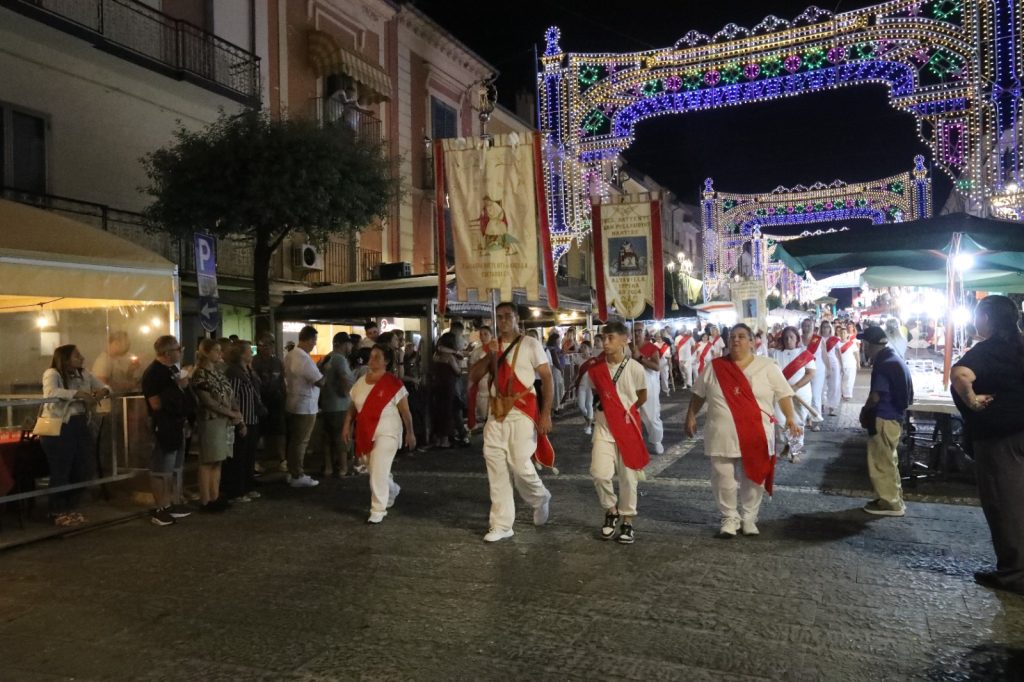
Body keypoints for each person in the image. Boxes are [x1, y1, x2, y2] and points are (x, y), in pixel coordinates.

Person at [686, 324, 801, 538]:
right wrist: (690, 414)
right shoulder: (715, 366)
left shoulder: (767, 366)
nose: (736, 340)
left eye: (741, 337)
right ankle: (729, 517)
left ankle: (749, 517)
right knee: (723, 477)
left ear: (751, 342)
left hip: (755, 432)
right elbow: (699, 394)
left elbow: (784, 394)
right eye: (732, 337)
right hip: (722, 433)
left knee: (753, 476)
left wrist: (791, 418)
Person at [950, 295, 1024, 595]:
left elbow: (959, 375)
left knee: (1004, 503)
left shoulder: (988, 350)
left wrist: (972, 401)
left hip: (1000, 438)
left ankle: (1014, 573)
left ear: (987, 319)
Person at [468, 302, 554, 542]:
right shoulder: (491, 346)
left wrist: (546, 413)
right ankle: (501, 524)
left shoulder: (530, 344)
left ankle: (540, 498)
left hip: (522, 410)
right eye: (499, 317)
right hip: (496, 412)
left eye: (507, 316)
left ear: (517, 318)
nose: (503, 321)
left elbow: (547, 378)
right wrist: (491, 354)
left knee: (520, 464)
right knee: (495, 466)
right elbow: (473, 376)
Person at [578, 322, 649, 544]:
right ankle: (611, 509)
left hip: (627, 428)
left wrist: (625, 412)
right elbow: (594, 394)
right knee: (599, 473)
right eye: (603, 338)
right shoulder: (595, 369)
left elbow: (642, 396)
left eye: (610, 338)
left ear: (624, 340)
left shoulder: (635, 369)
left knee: (628, 478)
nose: (605, 343)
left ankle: (627, 521)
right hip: (604, 428)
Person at [342, 344, 416, 523]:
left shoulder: (393, 383)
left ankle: (378, 508)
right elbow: (353, 408)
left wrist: (410, 432)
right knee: (374, 468)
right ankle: (391, 489)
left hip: (388, 432)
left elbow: (405, 411)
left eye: (377, 357)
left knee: (378, 468)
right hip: (366, 432)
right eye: (371, 356)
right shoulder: (360, 382)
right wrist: (346, 425)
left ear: (387, 361)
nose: (372, 359)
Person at [38, 345, 110, 526]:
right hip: (59, 426)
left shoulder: (83, 374)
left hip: (80, 423)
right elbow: (51, 393)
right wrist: (77, 394)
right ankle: (57, 510)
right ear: (65, 358)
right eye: (77, 355)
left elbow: (104, 386)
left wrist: (103, 391)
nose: (82, 358)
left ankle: (71, 506)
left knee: (83, 467)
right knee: (61, 469)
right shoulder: (52, 373)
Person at [858, 326, 913, 517]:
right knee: (889, 460)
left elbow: (876, 396)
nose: (862, 346)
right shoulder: (893, 358)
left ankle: (890, 503)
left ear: (870, 345)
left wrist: (865, 411)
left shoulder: (884, 364)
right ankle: (893, 497)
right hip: (894, 417)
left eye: (864, 343)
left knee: (881, 462)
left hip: (884, 417)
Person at [141, 336, 194, 526]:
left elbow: (183, 396)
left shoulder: (172, 370)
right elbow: (155, 404)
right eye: (178, 349)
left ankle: (172, 502)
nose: (181, 351)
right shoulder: (153, 373)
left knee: (175, 465)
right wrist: (178, 389)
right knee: (162, 467)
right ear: (167, 353)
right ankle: (160, 507)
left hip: (178, 423)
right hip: (164, 424)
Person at [191, 339, 242, 512]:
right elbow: (208, 401)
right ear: (206, 352)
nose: (220, 354)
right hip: (210, 419)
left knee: (218, 459)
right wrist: (231, 413)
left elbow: (230, 394)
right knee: (208, 460)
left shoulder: (219, 373)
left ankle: (215, 495)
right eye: (216, 350)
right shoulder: (200, 374)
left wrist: (236, 412)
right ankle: (205, 499)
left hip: (223, 421)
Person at [222, 340, 264, 503]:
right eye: (248, 351)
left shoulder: (247, 370)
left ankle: (247, 486)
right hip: (242, 419)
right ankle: (236, 490)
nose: (251, 353)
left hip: (252, 417)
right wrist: (238, 419)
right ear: (241, 354)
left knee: (249, 455)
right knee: (239, 456)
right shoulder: (234, 372)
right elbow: (233, 397)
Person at [283, 325, 324, 487]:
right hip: (305, 406)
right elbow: (319, 381)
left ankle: (292, 471)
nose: (315, 344)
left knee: (294, 440)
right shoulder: (304, 358)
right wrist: (322, 372)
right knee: (301, 441)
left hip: (293, 402)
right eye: (314, 341)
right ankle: (297, 474)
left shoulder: (290, 355)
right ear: (309, 339)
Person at [771, 326, 816, 463]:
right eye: (785, 337)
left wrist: (796, 386)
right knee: (780, 421)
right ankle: (787, 443)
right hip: (781, 393)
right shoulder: (775, 354)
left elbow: (811, 373)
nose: (788, 340)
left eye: (791, 337)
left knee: (798, 422)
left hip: (800, 392)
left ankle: (795, 451)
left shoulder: (804, 353)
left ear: (797, 338)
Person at [318, 332, 355, 476]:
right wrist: (348, 394)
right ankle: (344, 469)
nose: (350, 347)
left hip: (326, 405)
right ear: (344, 344)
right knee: (342, 438)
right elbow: (345, 379)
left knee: (327, 439)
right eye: (349, 344)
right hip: (340, 405)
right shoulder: (340, 359)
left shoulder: (327, 357)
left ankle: (328, 468)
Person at [252, 333, 287, 472]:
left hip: (276, 401)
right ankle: (256, 460)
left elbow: (281, 381)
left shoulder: (277, 361)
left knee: (279, 431)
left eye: (270, 343)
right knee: (258, 432)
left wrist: (284, 397)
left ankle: (282, 459)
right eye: (264, 344)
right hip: (260, 401)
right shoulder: (255, 362)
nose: (268, 347)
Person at [630, 325, 665, 455]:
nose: (637, 333)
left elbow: (656, 367)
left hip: (647, 384)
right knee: (631, 415)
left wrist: (640, 357)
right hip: (630, 384)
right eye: (634, 331)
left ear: (644, 333)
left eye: (639, 331)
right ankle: (634, 442)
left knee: (651, 415)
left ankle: (656, 441)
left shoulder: (651, 348)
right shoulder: (627, 347)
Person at [428, 332, 462, 448]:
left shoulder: (436, 356)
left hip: (437, 385)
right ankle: (445, 440)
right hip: (448, 386)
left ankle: (437, 438)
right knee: (447, 412)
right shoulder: (450, 358)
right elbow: (458, 371)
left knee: (438, 411)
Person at [577, 334, 604, 435]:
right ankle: (588, 420)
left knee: (589, 405)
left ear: (590, 349)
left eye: (585, 347)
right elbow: (577, 373)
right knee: (581, 406)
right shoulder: (578, 359)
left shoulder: (594, 360)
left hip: (591, 386)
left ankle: (588, 426)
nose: (583, 349)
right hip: (581, 386)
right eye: (582, 347)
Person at [803, 318, 826, 431]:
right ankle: (807, 418)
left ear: (813, 327)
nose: (806, 328)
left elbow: (824, 355)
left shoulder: (819, 340)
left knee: (816, 395)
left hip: (818, 370)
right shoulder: (797, 339)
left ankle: (816, 420)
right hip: (802, 370)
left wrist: (829, 369)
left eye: (809, 326)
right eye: (805, 325)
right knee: (805, 394)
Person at [468, 326, 493, 430]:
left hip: (494, 386)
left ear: (491, 335)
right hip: (481, 388)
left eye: (485, 334)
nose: (483, 336)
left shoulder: (498, 349)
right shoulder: (476, 352)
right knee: (485, 415)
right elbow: (472, 370)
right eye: (481, 334)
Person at [820, 321, 842, 417]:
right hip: (821, 363)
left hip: (833, 363)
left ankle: (831, 407)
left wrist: (842, 366)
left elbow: (839, 353)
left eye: (827, 327)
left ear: (830, 328)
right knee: (821, 385)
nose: (825, 329)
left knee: (834, 385)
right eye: (823, 327)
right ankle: (821, 404)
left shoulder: (834, 339)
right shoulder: (818, 339)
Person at [837, 324, 859, 400]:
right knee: (840, 381)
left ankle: (847, 394)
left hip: (850, 365)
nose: (843, 334)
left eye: (844, 333)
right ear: (839, 334)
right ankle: (841, 393)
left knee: (849, 380)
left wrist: (858, 363)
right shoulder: (837, 344)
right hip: (840, 365)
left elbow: (856, 353)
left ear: (847, 334)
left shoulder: (852, 344)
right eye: (841, 333)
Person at [546, 331, 565, 413]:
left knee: (557, 387)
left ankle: (556, 406)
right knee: (557, 388)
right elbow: (555, 360)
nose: (559, 340)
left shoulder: (552, 347)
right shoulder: (552, 348)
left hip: (555, 369)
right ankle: (556, 407)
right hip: (556, 370)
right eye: (558, 338)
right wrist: (561, 369)